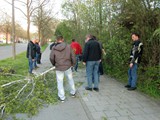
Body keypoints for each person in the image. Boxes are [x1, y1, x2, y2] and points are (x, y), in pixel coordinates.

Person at [50, 36, 76, 102]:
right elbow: (73, 56)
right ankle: (73, 93)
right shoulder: (68, 46)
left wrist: (54, 64)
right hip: (68, 66)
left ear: (56, 40)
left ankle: (62, 97)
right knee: (70, 79)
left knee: (60, 82)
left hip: (58, 67)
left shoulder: (54, 48)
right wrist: (73, 64)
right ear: (62, 39)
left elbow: (51, 58)